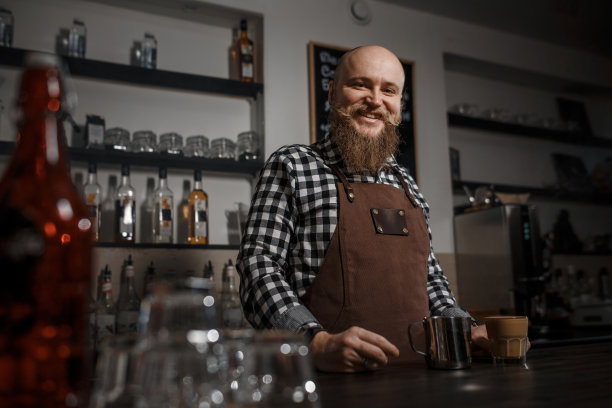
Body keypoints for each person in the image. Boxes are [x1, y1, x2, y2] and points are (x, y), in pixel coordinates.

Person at [236, 45, 489, 372]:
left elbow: (431, 281)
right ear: (331, 92)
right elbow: (258, 265)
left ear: (399, 106)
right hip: (326, 381)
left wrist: (466, 328)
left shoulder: (407, 185)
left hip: (419, 382)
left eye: (388, 90)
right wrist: (313, 341)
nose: (374, 100)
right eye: (359, 85)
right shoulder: (293, 165)